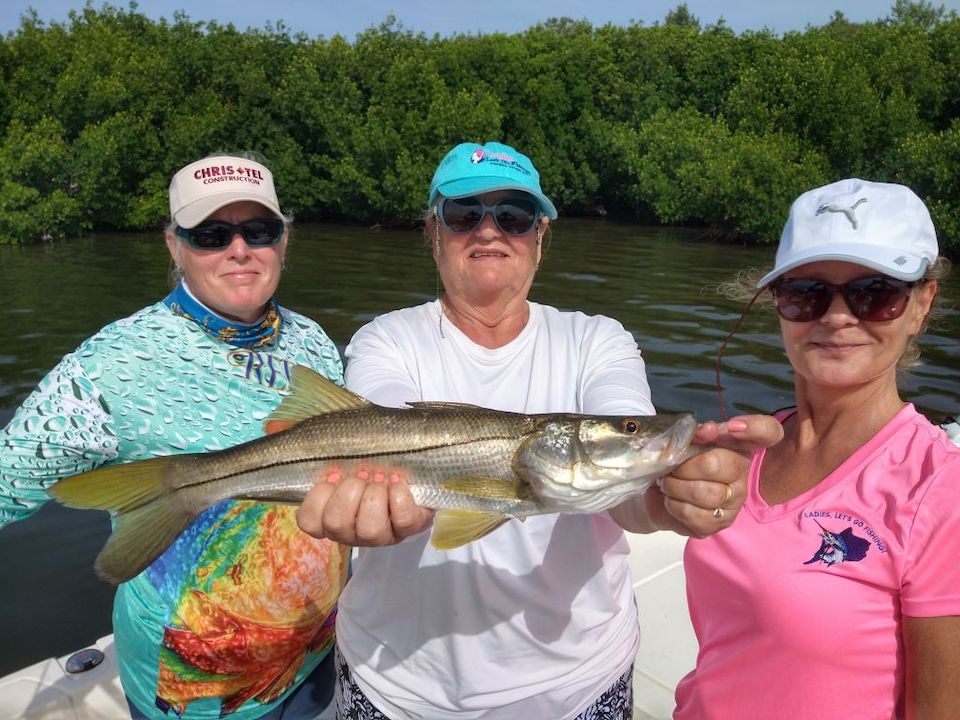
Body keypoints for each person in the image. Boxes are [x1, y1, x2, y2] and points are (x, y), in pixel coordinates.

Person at [295, 141, 782, 720]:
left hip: (576, 685)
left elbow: (625, 490)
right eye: (463, 215)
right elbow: (386, 429)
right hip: (396, 687)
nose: (489, 231)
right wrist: (373, 499)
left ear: (540, 237)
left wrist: (670, 501)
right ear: (432, 234)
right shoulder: (386, 339)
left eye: (514, 216)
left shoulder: (598, 340)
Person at [0, 154, 348, 720]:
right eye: (211, 234)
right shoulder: (109, 367)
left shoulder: (313, 341)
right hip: (193, 696)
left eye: (258, 230)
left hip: (312, 660)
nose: (240, 249)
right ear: (174, 246)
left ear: (283, 241)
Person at [674, 179, 960, 718]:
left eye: (875, 294)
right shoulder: (745, 450)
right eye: (806, 292)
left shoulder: (939, 489)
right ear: (778, 303)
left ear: (922, 304)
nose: (835, 316)